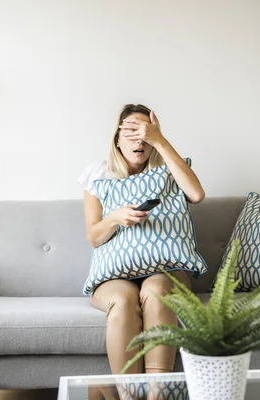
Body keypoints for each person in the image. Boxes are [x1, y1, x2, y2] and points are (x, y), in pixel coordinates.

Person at [78, 104, 205, 398]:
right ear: (117, 139)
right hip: (115, 275)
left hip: (165, 269)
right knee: (123, 299)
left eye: (145, 133)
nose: (139, 140)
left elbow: (196, 195)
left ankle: (157, 394)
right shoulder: (98, 174)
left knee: (157, 288)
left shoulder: (167, 168)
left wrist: (160, 140)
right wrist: (115, 218)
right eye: (132, 132)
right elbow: (94, 237)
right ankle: (129, 395)